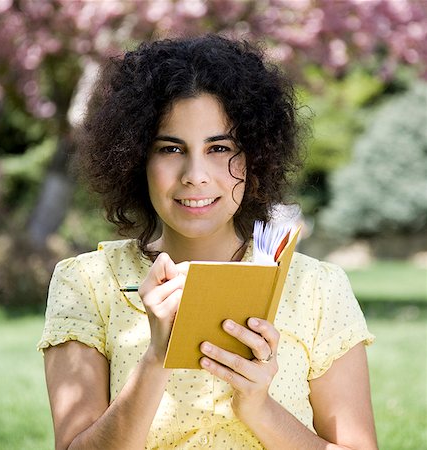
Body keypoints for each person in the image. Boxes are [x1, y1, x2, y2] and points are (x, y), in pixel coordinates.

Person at [37, 34, 378, 450]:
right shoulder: (86, 283)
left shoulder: (319, 289)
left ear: (256, 158)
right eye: (170, 148)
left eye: (219, 147)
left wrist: (258, 407)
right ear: (135, 159)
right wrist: (156, 359)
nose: (195, 175)